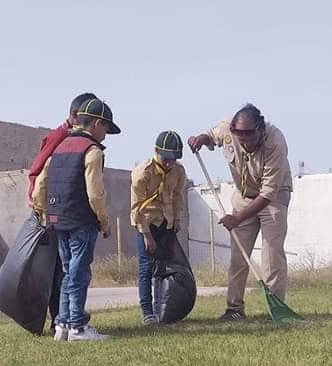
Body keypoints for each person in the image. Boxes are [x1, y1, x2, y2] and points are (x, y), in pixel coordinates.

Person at [188, 103, 292, 320]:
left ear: (260, 129)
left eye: (248, 134)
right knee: (238, 257)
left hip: (273, 198)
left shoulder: (276, 143)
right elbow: (210, 136)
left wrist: (237, 218)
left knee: (271, 256)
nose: (243, 139)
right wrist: (200, 140)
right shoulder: (228, 129)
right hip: (244, 196)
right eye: (239, 134)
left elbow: (267, 194)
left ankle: (275, 310)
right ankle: (234, 309)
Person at [45, 98, 120, 341]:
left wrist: (42, 211)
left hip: (58, 218)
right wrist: (104, 221)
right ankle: (77, 327)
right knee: (79, 274)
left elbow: (41, 186)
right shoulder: (92, 150)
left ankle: (62, 326)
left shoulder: (59, 147)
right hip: (81, 220)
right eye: (106, 129)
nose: (106, 135)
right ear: (97, 124)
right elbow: (95, 193)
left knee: (68, 272)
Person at [29, 92, 96, 334]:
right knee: (65, 271)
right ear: (79, 116)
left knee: (66, 269)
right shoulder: (60, 138)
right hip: (57, 212)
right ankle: (65, 319)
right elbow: (38, 173)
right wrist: (40, 209)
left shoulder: (73, 138)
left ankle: (64, 320)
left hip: (60, 211)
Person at [130, 131, 186, 325]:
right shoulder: (142, 173)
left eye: (174, 159)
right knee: (146, 269)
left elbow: (178, 196)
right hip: (146, 223)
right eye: (166, 158)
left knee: (162, 268)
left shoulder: (178, 171)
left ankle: (160, 310)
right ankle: (147, 313)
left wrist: (177, 220)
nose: (169, 163)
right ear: (156, 151)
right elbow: (136, 208)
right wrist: (147, 236)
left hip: (166, 223)